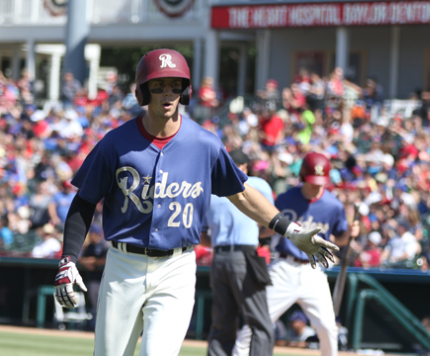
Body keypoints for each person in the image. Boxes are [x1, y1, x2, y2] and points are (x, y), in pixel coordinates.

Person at [53, 49, 339, 356]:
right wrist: (68, 258)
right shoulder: (115, 143)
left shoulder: (205, 144)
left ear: (185, 90)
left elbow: (241, 193)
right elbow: (84, 202)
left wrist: (292, 231)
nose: (167, 93)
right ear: (142, 91)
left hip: (177, 267)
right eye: (158, 85)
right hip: (125, 265)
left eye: (175, 85)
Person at [235, 152, 359, 356]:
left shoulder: (333, 205)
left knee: (328, 328)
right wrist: (255, 231)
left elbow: (340, 238)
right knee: (255, 322)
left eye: (321, 181)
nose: (316, 185)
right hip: (284, 267)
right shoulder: (286, 198)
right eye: (312, 180)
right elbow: (270, 228)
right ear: (302, 176)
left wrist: (349, 233)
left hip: (314, 271)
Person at [202, 149, 275, 356]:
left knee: (222, 322)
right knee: (260, 323)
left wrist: (219, 240)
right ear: (244, 167)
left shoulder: (211, 188)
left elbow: (201, 236)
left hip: (219, 258)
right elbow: (271, 225)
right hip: (245, 255)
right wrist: (256, 235)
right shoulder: (257, 184)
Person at [78, 223, 108, 327]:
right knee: (95, 305)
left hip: (105, 280)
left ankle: (104, 325)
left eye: (93, 233)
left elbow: (105, 260)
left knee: (104, 305)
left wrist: (93, 261)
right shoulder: (90, 246)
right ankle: (97, 326)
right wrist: (88, 263)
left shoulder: (104, 244)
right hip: (93, 279)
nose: (91, 236)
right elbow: (81, 259)